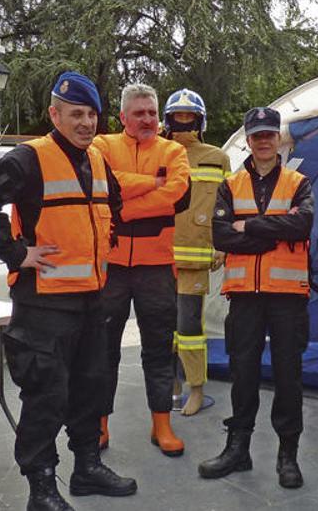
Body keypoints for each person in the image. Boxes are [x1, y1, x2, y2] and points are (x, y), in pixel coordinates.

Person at [0, 71, 138, 511]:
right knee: (46, 396)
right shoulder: (30, 158)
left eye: (91, 114)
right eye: (75, 114)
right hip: (44, 303)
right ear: (54, 114)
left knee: (90, 387)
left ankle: (87, 468)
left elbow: (111, 204)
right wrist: (15, 252)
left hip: (92, 297)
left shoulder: (96, 160)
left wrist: (106, 239)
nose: (85, 122)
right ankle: (41, 488)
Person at [199, 107, 312, 488]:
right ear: (247, 140)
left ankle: (288, 455)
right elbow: (220, 235)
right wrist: (273, 235)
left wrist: (248, 226)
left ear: (278, 138)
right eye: (256, 135)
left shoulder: (299, 182)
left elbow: (303, 223)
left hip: (287, 298)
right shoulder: (230, 185)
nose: (264, 141)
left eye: (269, 134)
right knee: (242, 373)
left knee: (288, 376)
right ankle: (238, 449)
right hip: (244, 296)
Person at [94, 84, 191, 456]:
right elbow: (105, 186)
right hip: (112, 265)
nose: (148, 119)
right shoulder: (102, 147)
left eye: (152, 112)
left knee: (158, 348)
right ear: (123, 118)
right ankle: (99, 424)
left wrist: (123, 205)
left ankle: (161, 425)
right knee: (103, 349)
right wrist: (153, 184)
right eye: (140, 113)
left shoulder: (174, 150)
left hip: (156, 267)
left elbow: (177, 193)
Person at [163, 88, 228, 417]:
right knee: (163, 328)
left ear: (201, 121)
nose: (183, 124)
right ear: (168, 120)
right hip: (158, 259)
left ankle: (196, 389)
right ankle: (171, 386)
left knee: (189, 328)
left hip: (197, 259)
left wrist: (223, 246)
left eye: (190, 118)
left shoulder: (217, 157)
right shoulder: (157, 153)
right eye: (178, 117)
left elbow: (227, 207)